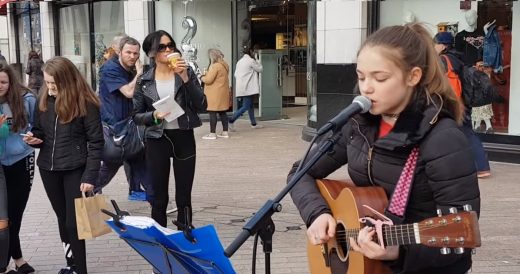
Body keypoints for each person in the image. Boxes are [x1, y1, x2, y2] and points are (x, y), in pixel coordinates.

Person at [289, 24, 480, 274]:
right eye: (361, 76)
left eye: (379, 78)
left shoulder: (443, 140)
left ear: (413, 77)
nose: (366, 87)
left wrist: (400, 252)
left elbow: (460, 240)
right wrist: (317, 214)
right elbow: (299, 173)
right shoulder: (358, 125)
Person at [23, 56, 104, 274]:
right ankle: (71, 265)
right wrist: (34, 137)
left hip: (75, 168)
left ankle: (81, 270)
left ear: (67, 80)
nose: (49, 88)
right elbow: (41, 131)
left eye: (54, 83)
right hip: (48, 169)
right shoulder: (45, 99)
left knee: (73, 223)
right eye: (47, 82)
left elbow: (96, 143)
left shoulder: (86, 102)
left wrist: (90, 177)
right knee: (62, 220)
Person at [134, 30, 206, 232]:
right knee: (159, 196)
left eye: (170, 46)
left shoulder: (186, 72)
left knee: (184, 195)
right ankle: (160, 237)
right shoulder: (144, 80)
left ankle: (186, 233)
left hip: (183, 136)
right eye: (162, 47)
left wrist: (185, 77)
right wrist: (153, 116)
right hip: (157, 139)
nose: (168, 50)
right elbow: (136, 115)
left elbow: (202, 105)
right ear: (151, 52)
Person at [95, 36, 150, 201]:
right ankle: (88, 188)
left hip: (127, 127)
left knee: (140, 161)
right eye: (128, 52)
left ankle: (156, 199)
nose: (132, 56)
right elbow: (128, 92)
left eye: (136, 53)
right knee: (112, 164)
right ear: (119, 51)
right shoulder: (110, 68)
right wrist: (139, 74)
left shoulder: (128, 68)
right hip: (114, 129)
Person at [434, 31, 491, 179]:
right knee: (466, 134)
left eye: (435, 43)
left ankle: (474, 167)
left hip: (454, 104)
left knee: (448, 134)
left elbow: (448, 85)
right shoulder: (459, 57)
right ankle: (481, 166)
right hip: (464, 102)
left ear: (442, 45)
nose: (433, 46)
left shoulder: (444, 59)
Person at [0, 62, 37, 274]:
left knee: (15, 213)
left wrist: (29, 139)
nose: (0, 86)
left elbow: (37, 126)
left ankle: (15, 259)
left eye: (4, 82)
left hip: (20, 161)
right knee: (2, 216)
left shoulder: (26, 99)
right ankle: (9, 261)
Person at [228, 46, 263, 130]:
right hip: (249, 88)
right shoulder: (251, 61)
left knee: (250, 106)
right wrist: (257, 60)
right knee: (246, 106)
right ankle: (231, 120)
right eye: (253, 52)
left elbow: (235, 74)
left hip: (242, 87)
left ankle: (253, 123)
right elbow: (260, 69)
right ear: (251, 52)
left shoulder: (239, 62)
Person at [201, 48, 230, 139]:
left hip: (214, 93)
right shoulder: (225, 65)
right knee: (222, 112)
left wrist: (202, 77)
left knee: (212, 112)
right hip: (223, 92)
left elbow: (208, 80)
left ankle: (212, 133)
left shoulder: (215, 66)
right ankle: (225, 132)